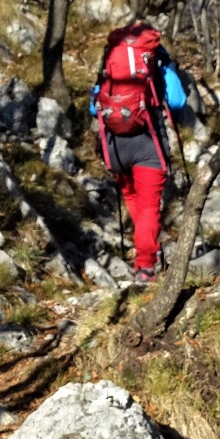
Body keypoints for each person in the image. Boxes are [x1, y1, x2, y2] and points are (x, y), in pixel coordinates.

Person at [90, 18, 187, 285]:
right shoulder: (156, 61)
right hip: (148, 141)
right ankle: (145, 265)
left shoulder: (109, 63)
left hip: (115, 145)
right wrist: (167, 69)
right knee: (148, 207)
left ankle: (147, 251)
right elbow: (178, 101)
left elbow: (93, 106)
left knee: (134, 200)